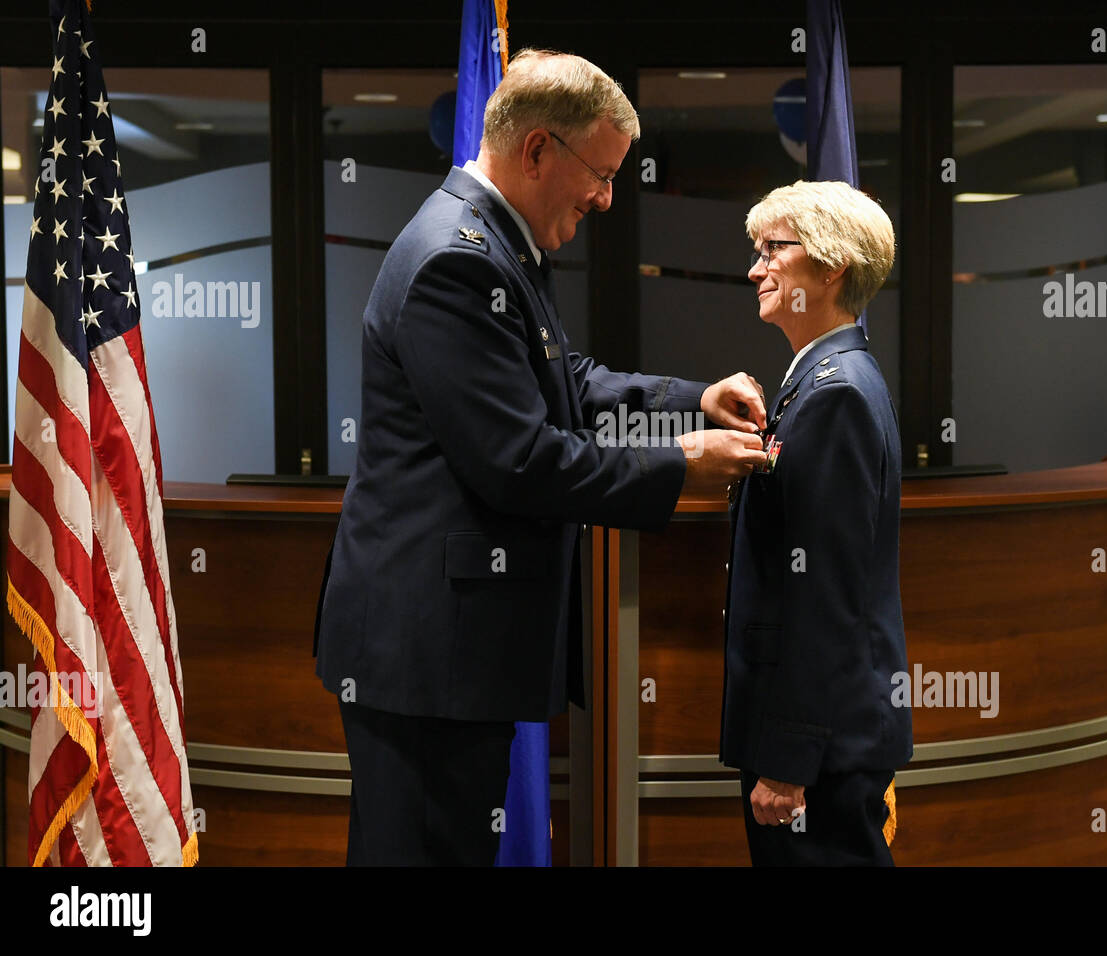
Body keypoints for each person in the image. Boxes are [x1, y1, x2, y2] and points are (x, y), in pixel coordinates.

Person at [313, 49, 769, 866]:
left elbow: (569, 380)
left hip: (446, 655)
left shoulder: (497, 243)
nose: (605, 196)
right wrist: (680, 467)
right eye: (599, 173)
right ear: (536, 152)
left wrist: (688, 402)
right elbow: (520, 461)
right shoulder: (459, 259)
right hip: (427, 660)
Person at [722, 179, 912, 866]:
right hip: (818, 737)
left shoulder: (834, 395)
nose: (755, 269)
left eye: (773, 249)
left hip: (818, 747)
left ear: (831, 267)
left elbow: (824, 596)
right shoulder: (823, 379)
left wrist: (788, 758)